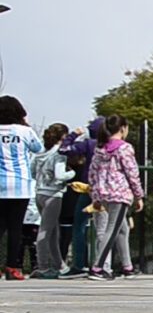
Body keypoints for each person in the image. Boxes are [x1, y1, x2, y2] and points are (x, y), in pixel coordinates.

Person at [88, 115, 145, 280]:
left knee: (122, 228)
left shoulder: (100, 148)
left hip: (103, 192)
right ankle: (97, 268)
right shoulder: (124, 148)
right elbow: (132, 172)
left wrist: (94, 194)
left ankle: (128, 267)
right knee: (112, 229)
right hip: (119, 193)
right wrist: (138, 195)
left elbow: (92, 172)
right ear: (123, 128)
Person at [0, 97, 44, 280]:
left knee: (0, 226)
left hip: (0, 184)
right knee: (15, 228)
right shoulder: (25, 131)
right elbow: (38, 148)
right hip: (20, 185)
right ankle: (12, 266)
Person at [59, 117, 104, 277]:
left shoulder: (88, 144)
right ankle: (104, 265)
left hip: (87, 188)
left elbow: (63, 149)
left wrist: (73, 135)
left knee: (79, 226)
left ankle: (79, 264)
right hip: (106, 189)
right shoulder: (113, 146)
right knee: (106, 228)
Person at [31, 123, 76, 278]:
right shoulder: (59, 154)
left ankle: (60, 265)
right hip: (53, 195)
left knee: (53, 231)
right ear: (63, 137)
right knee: (45, 231)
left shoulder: (40, 154)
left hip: (39, 193)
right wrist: (72, 174)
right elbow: (59, 175)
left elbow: (32, 172)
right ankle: (43, 266)